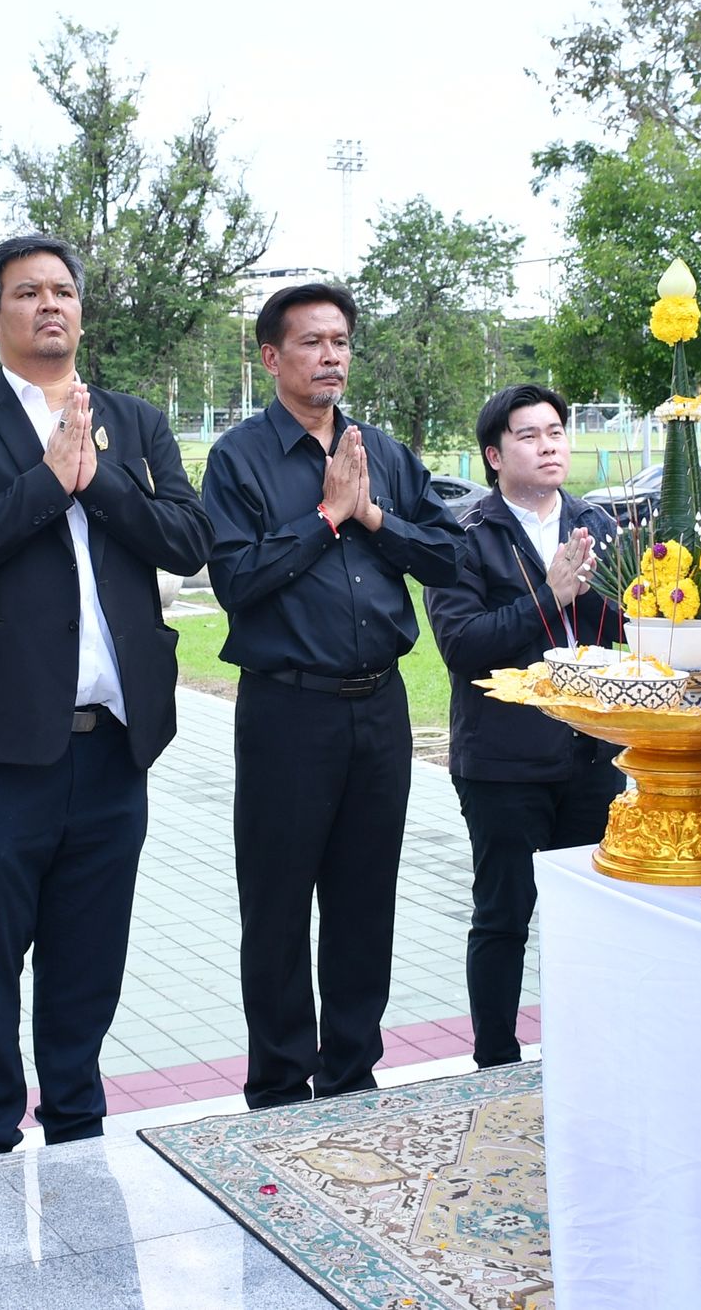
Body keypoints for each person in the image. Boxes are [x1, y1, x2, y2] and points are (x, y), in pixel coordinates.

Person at [0, 235, 211, 1156]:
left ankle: (76, 1119)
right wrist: (46, 484)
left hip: (111, 741)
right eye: (28, 292)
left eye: (65, 291)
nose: (51, 305)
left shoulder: (133, 420)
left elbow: (187, 537)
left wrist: (100, 479)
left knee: (89, 955)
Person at [202, 283, 465, 1109]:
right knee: (277, 904)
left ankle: (350, 1073)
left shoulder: (378, 450)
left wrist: (374, 518)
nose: (331, 356)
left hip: (379, 706)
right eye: (312, 342)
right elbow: (236, 580)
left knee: (364, 898)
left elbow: (452, 554)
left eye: (341, 341)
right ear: (271, 357)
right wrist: (325, 518)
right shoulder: (239, 459)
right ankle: (278, 1085)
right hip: (289, 709)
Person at [424, 385, 622, 1069]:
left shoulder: (599, 523)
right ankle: (496, 1061)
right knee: (504, 915)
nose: (549, 445)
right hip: (505, 762)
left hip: (593, 757)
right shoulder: (464, 534)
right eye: (529, 435)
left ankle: (581, 1054)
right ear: (494, 453)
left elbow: (629, 634)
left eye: (556, 432)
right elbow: (463, 643)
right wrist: (551, 596)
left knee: (588, 920)